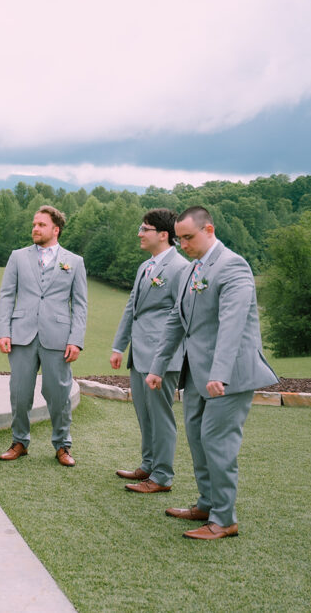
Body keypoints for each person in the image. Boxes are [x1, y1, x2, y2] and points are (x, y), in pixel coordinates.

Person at [146, 207, 278, 539]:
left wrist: (219, 374)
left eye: (189, 237)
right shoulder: (191, 270)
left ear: (209, 229)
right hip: (198, 376)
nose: (183, 244)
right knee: (198, 440)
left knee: (218, 443)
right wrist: (157, 367)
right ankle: (206, 504)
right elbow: (176, 321)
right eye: (180, 238)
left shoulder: (234, 266)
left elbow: (232, 325)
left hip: (229, 376)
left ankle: (224, 519)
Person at [0, 205, 87, 467]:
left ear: (55, 229)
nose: (35, 228)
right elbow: (6, 295)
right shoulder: (18, 257)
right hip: (21, 333)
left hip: (58, 336)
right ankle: (19, 442)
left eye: (41, 225)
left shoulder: (75, 261)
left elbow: (80, 304)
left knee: (58, 394)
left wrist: (76, 339)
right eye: (34, 224)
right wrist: (4, 331)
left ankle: (62, 445)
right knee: (20, 392)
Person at [110, 209, 190, 492]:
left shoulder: (180, 268)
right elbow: (132, 308)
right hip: (138, 354)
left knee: (161, 415)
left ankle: (162, 476)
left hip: (162, 357)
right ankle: (148, 466)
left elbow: (181, 315)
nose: (140, 233)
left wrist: (165, 357)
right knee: (144, 413)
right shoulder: (145, 267)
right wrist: (119, 346)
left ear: (163, 235)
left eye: (145, 229)